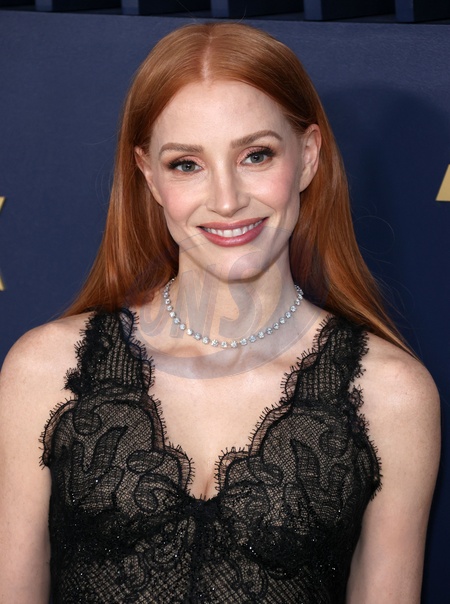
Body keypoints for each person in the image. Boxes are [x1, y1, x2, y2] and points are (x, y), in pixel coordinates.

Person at [0, 22, 440, 604]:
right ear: (149, 175)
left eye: (256, 155)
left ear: (308, 157)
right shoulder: (44, 372)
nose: (227, 200)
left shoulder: (391, 396)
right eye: (187, 164)